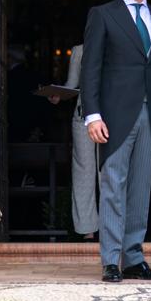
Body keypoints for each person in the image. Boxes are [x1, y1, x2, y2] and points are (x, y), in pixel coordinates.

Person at [80, 0, 151, 283]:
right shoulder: (103, 15)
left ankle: (133, 258)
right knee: (113, 186)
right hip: (115, 115)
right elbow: (91, 68)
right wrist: (92, 115)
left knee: (141, 188)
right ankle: (110, 260)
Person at [50, 44, 98, 239]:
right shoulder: (79, 51)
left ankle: (112, 228)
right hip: (82, 116)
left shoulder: (119, 42)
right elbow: (72, 83)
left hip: (113, 117)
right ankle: (87, 230)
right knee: (84, 172)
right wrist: (58, 95)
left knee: (109, 172)